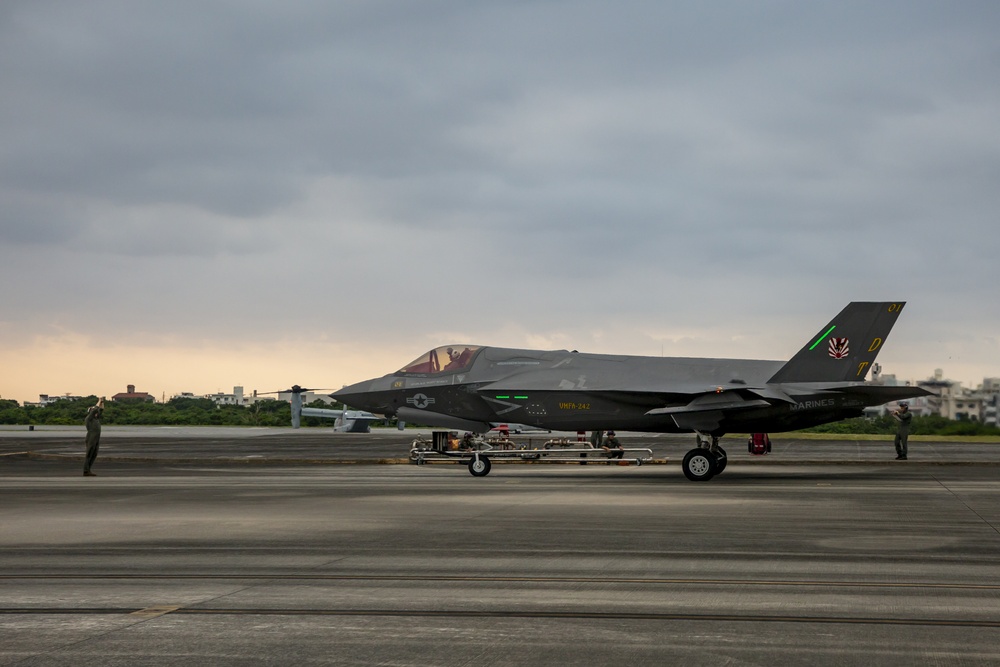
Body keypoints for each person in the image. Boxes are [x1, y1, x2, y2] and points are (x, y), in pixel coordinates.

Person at [83, 397, 104, 476]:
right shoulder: (89, 418)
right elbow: (96, 409)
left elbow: (101, 410)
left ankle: (88, 470)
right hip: (91, 438)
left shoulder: (96, 419)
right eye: (94, 411)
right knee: (89, 454)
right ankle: (86, 470)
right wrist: (99, 401)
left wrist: (102, 402)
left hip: (96, 438)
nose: (96, 412)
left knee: (94, 454)